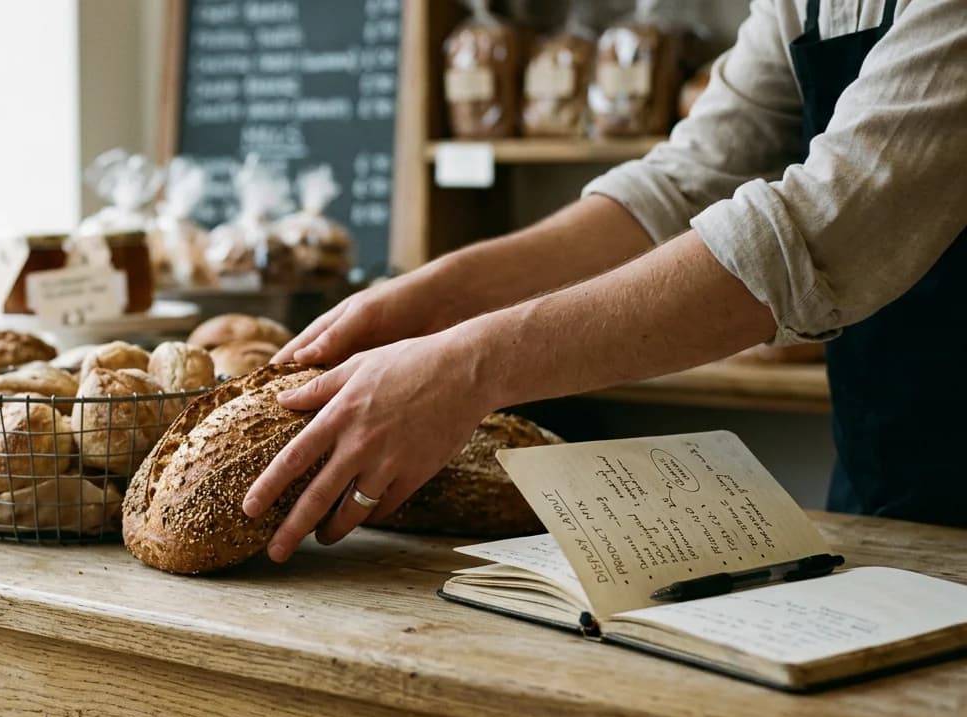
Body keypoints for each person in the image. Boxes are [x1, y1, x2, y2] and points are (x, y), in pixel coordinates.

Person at [242, 0, 967, 563]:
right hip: (888, 476)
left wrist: (470, 366)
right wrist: (436, 296)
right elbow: (682, 184)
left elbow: (822, 227)